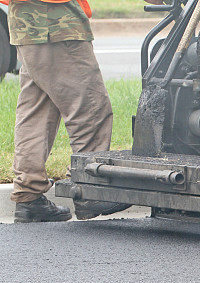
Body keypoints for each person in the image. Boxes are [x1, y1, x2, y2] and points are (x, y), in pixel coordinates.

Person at [4, 0, 130, 222]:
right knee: (90, 108)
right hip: (55, 21)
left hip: (26, 22)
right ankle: (88, 191)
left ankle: (28, 196)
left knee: (37, 111)